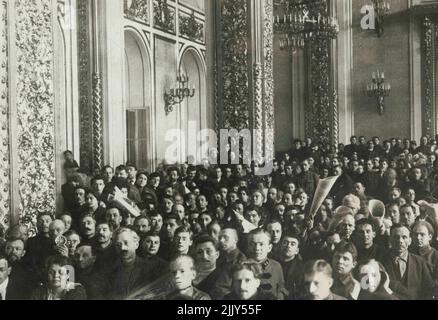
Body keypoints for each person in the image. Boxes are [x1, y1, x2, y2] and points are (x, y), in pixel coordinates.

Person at [381, 224, 434, 299]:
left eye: (404, 237)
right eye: (396, 237)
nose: (400, 241)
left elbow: (429, 290)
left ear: (410, 241)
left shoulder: (420, 262)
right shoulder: (380, 262)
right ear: (390, 240)